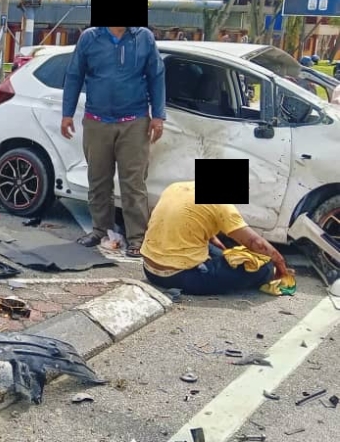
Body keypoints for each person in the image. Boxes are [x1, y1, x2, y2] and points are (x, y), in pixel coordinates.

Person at [61, 25, 165, 258]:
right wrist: (67, 113)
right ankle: (101, 230)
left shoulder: (143, 38)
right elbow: (74, 75)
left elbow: (156, 76)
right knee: (98, 180)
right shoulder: (90, 38)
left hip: (134, 121)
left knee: (134, 183)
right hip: (97, 121)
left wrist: (158, 115)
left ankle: (137, 238)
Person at [141, 181, 290, 295]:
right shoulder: (222, 205)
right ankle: (267, 273)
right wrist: (282, 268)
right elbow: (256, 243)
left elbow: (198, 227)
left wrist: (222, 252)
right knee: (264, 266)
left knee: (217, 250)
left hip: (149, 270)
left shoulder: (175, 187)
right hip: (180, 277)